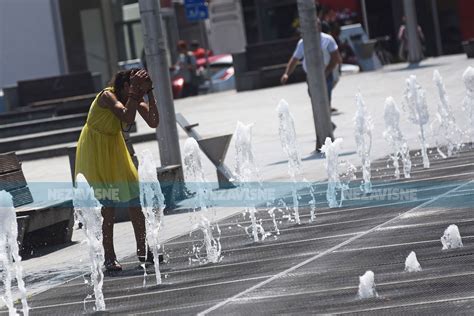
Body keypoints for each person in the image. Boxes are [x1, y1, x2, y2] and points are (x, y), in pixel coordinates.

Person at [75, 68, 159, 271]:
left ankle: (144, 251)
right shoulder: (107, 95)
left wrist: (150, 93)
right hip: (95, 149)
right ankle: (109, 258)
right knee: (107, 206)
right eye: (134, 88)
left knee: (134, 198)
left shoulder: (133, 96)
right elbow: (127, 117)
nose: (137, 92)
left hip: (114, 147)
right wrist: (135, 93)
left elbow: (154, 121)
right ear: (124, 86)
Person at [280, 20, 342, 148]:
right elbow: (294, 59)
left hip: (327, 75)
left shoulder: (327, 39)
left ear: (319, 27)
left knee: (325, 102)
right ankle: (326, 130)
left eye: (316, 26)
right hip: (311, 77)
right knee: (315, 103)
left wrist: (327, 71)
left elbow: (336, 58)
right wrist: (287, 74)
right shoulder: (303, 43)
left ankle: (326, 137)